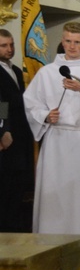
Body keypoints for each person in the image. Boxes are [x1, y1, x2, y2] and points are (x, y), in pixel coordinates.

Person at [24, 22, 80, 261]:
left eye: (77, 42)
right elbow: (31, 102)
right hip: (56, 139)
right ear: (62, 41)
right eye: (68, 41)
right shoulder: (48, 72)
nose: (72, 46)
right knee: (55, 192)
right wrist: (45, 115)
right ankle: (52, 244)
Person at [0, 29, 34, 233]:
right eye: (4, 45)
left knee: (18, 184)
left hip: (21, 133)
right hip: (7, 134)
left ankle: (15, 228)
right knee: (5, 184)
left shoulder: (16, 71)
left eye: (11, 45)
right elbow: (0, 102)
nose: (9, 49)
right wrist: (4, 128)